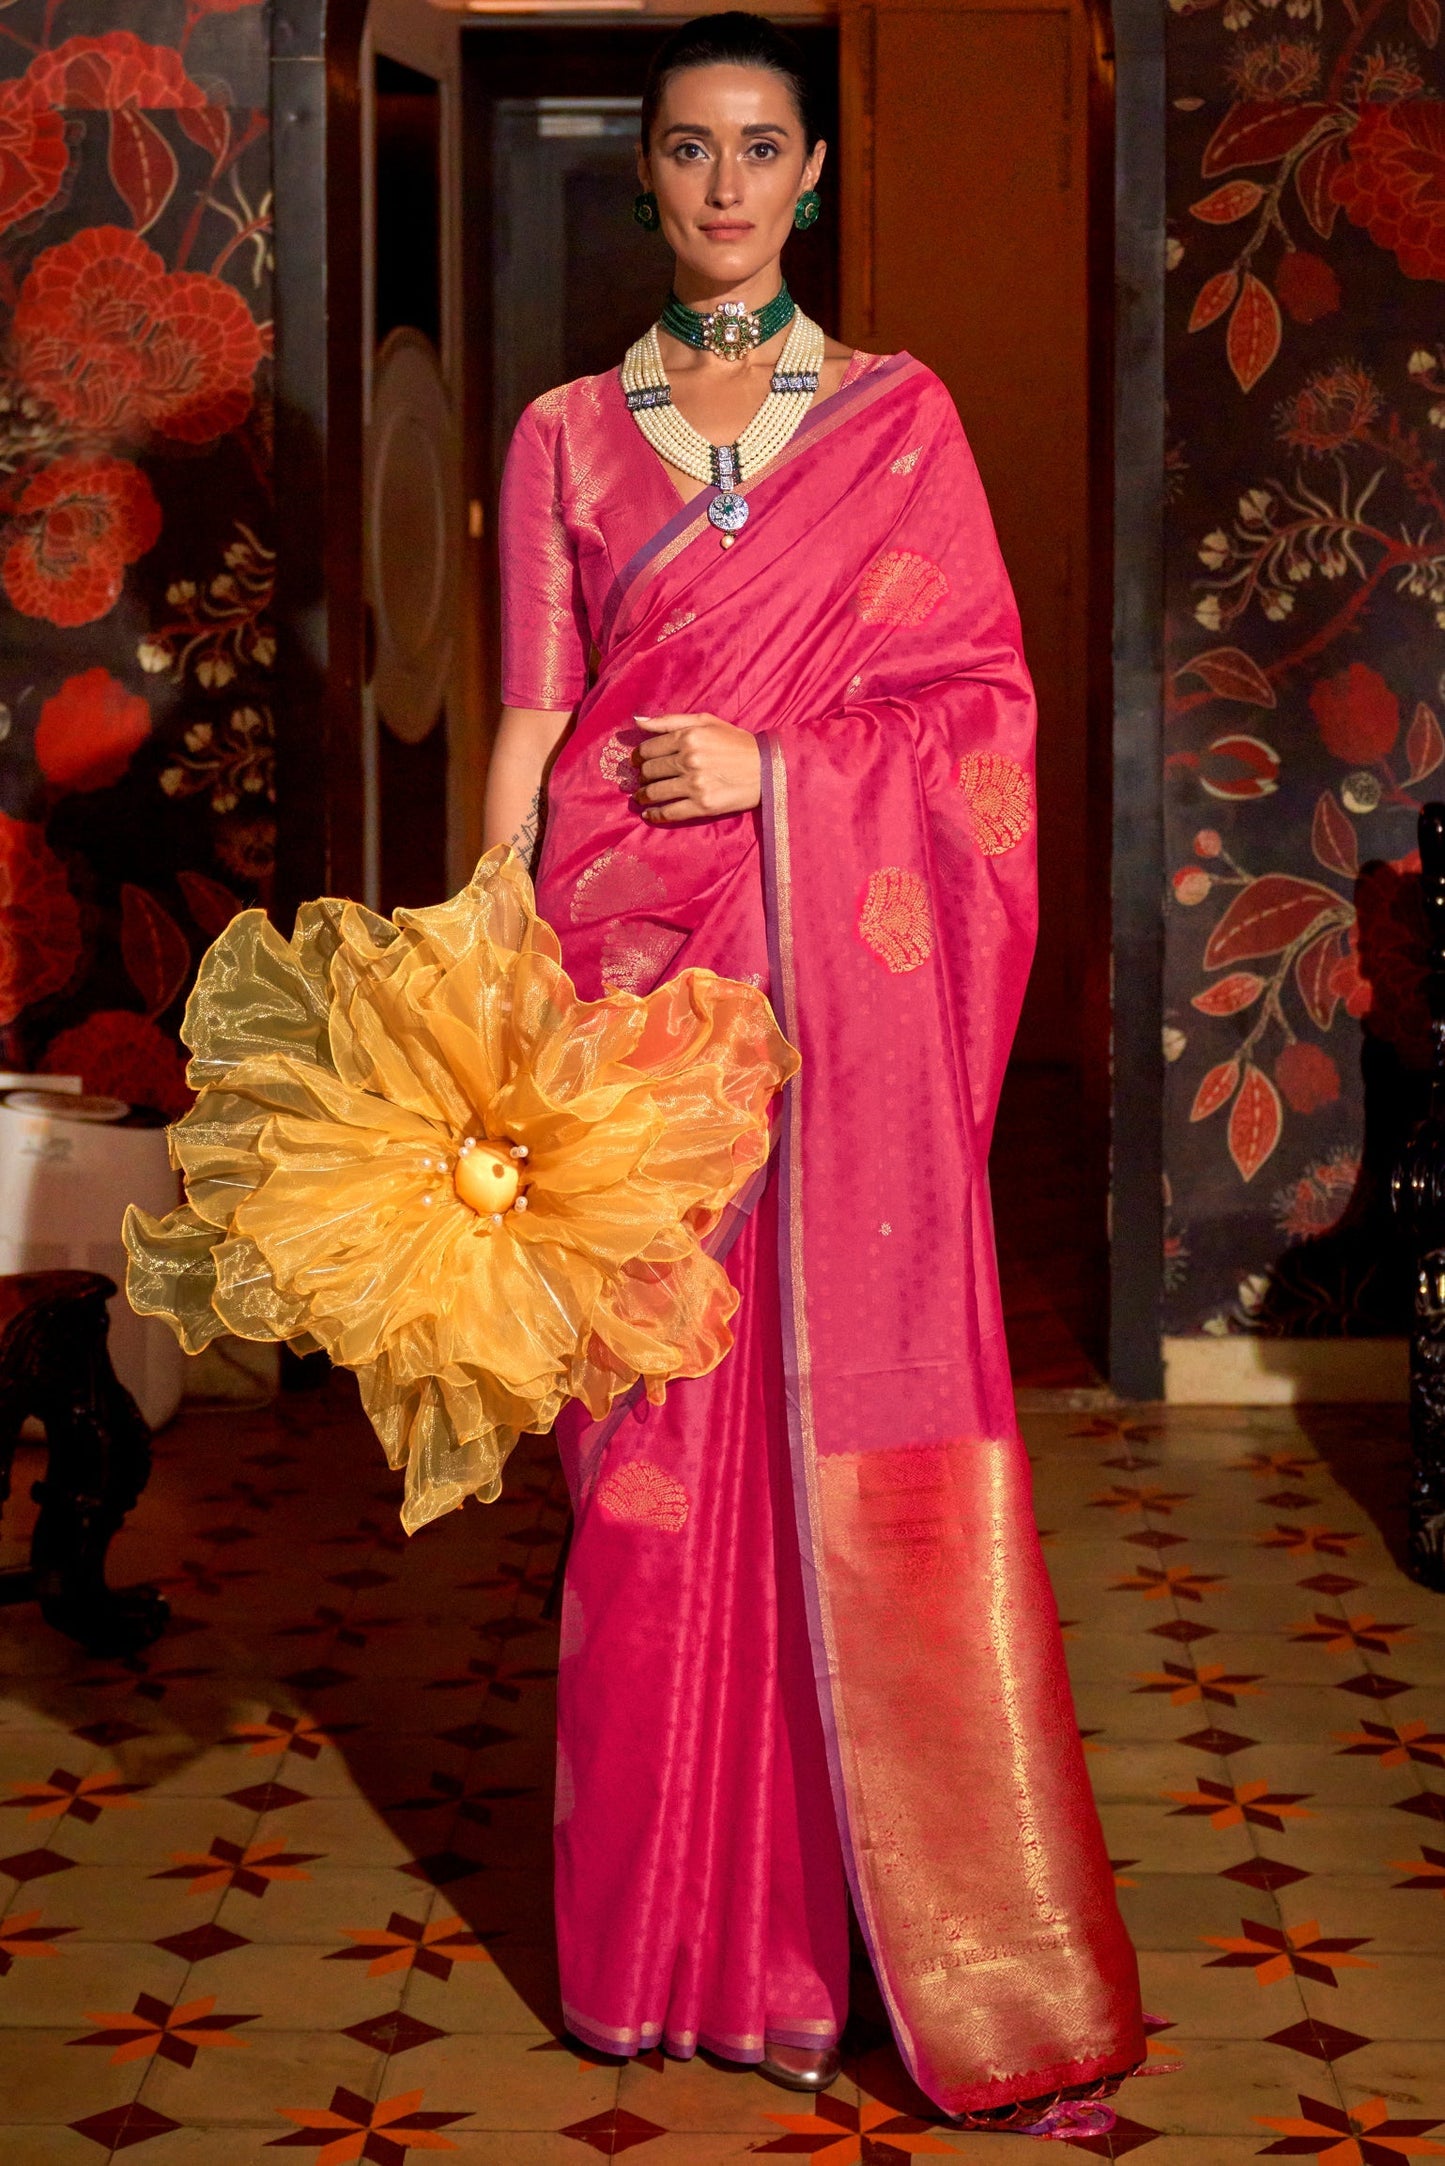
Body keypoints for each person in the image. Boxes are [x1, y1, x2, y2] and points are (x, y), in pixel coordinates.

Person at [484, 11, 1144, 2128]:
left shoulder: (898, 421)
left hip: (814, 984)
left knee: (820, 1427)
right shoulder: (563, 436)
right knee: (636, 1449)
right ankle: (658, 1947)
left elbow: (980, 713)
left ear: (814, 174)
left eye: (761, 147)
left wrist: (780, 770)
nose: (724, 186)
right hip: (616, 984)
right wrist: (481, 954)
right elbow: (532, 723)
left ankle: (837, 1931)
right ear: (645, 169)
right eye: (689, 148)